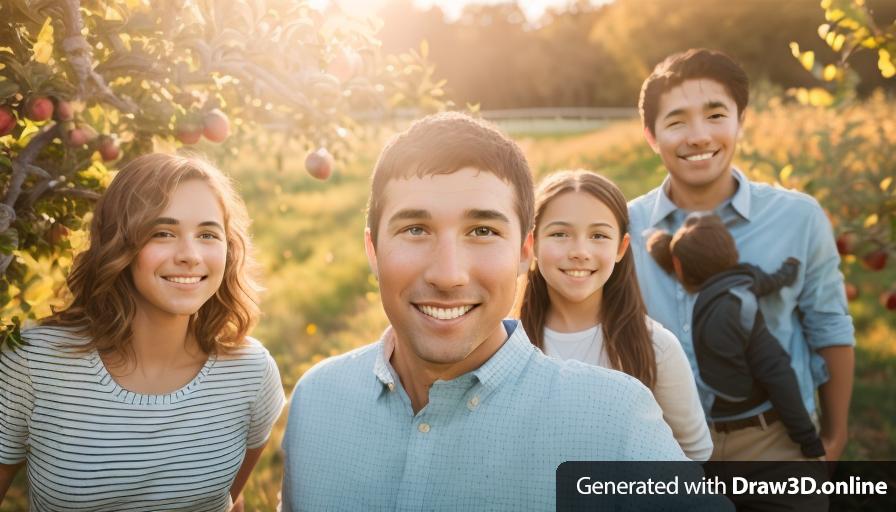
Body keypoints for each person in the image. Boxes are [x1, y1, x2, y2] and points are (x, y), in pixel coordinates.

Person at [280, 112, 688, 511]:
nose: (448, 275)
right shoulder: (316, 400)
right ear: (372, 249)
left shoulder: (614, 422)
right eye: (415, 230)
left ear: (525, 252)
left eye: (483, 231)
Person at [0, 153, 285, 511]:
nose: (190, 255)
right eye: (163, 232)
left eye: (208, 234)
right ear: (119, 242)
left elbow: (228, 502)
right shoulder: (33, 361)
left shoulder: (250, 372)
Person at [628, 48, 854, 461]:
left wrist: (834, 440)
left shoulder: (798, 217)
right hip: (664, 447)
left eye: (715, 115)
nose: (698, 136)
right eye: (676, 121)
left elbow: (829, 325)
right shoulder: (624, 226)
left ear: (740, 121)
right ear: (651, 136)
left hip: (776, 441)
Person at [519, 169, 712, 461]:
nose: (580, 251)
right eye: (560, 234)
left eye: (598, 235)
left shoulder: (656, 347)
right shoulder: (504, 343)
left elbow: (695, 453)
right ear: (532, 244)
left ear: (621, 248)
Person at [647, 212, 825, 460]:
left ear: (680, 266)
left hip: (721, 405)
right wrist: (790, 269)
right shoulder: (746, 281)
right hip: (737, 404)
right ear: (731, 255)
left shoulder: (727, 305)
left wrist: (806, 438)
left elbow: (775, 370)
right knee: (773, 366)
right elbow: (777, 371)